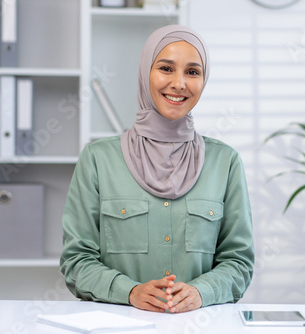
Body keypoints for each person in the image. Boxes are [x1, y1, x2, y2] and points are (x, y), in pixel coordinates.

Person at [60, 25, 254, 313]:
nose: (179, 83)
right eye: (166, 68)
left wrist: (201, 292)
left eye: (192, 72)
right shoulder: (98, 159)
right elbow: (76, 261)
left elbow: (239, 261)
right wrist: (131, 292)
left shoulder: (225, 162)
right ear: (144, 73)